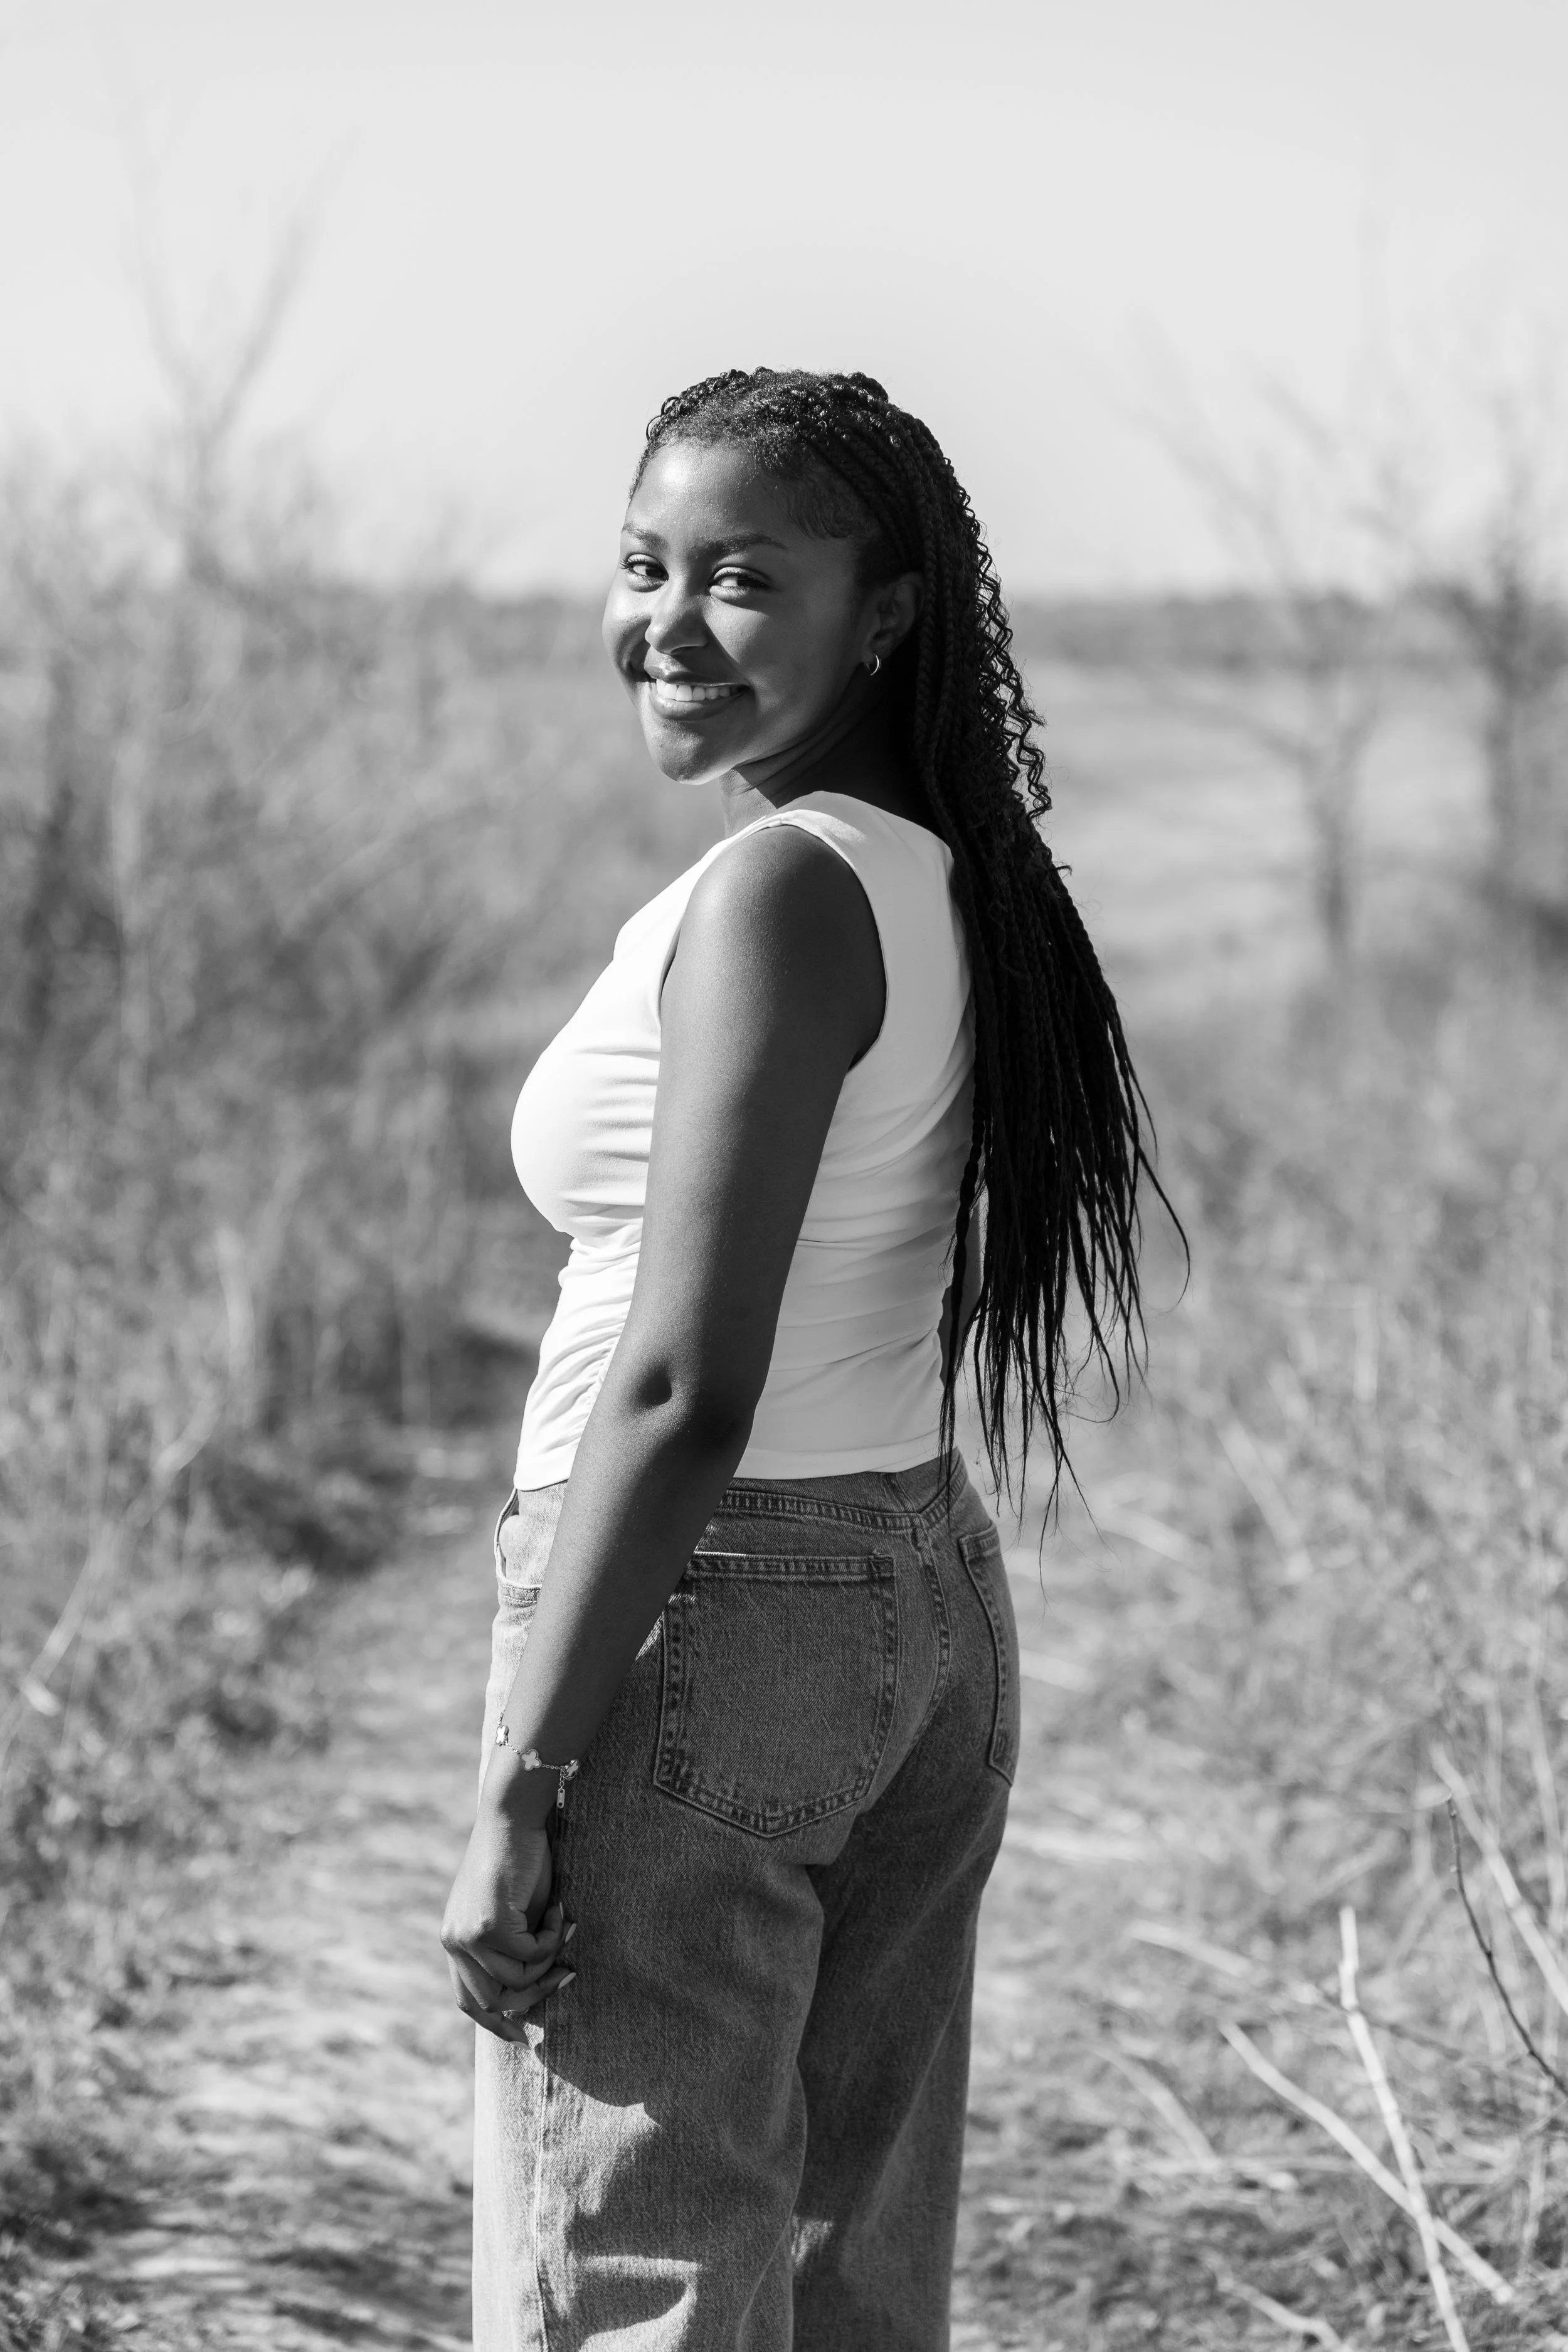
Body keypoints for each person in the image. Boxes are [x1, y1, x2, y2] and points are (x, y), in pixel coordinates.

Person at [441, 368, 1162, 2351]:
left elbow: (682, 1383)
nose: (666, 622)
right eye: (641, 561)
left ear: (886, 613)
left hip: (708, 1620)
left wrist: (524, 1770)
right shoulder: (941, 876)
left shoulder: (779, 890)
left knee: (640, 2279)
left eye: (743, 576)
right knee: (845, 2272)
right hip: (908, 1596)